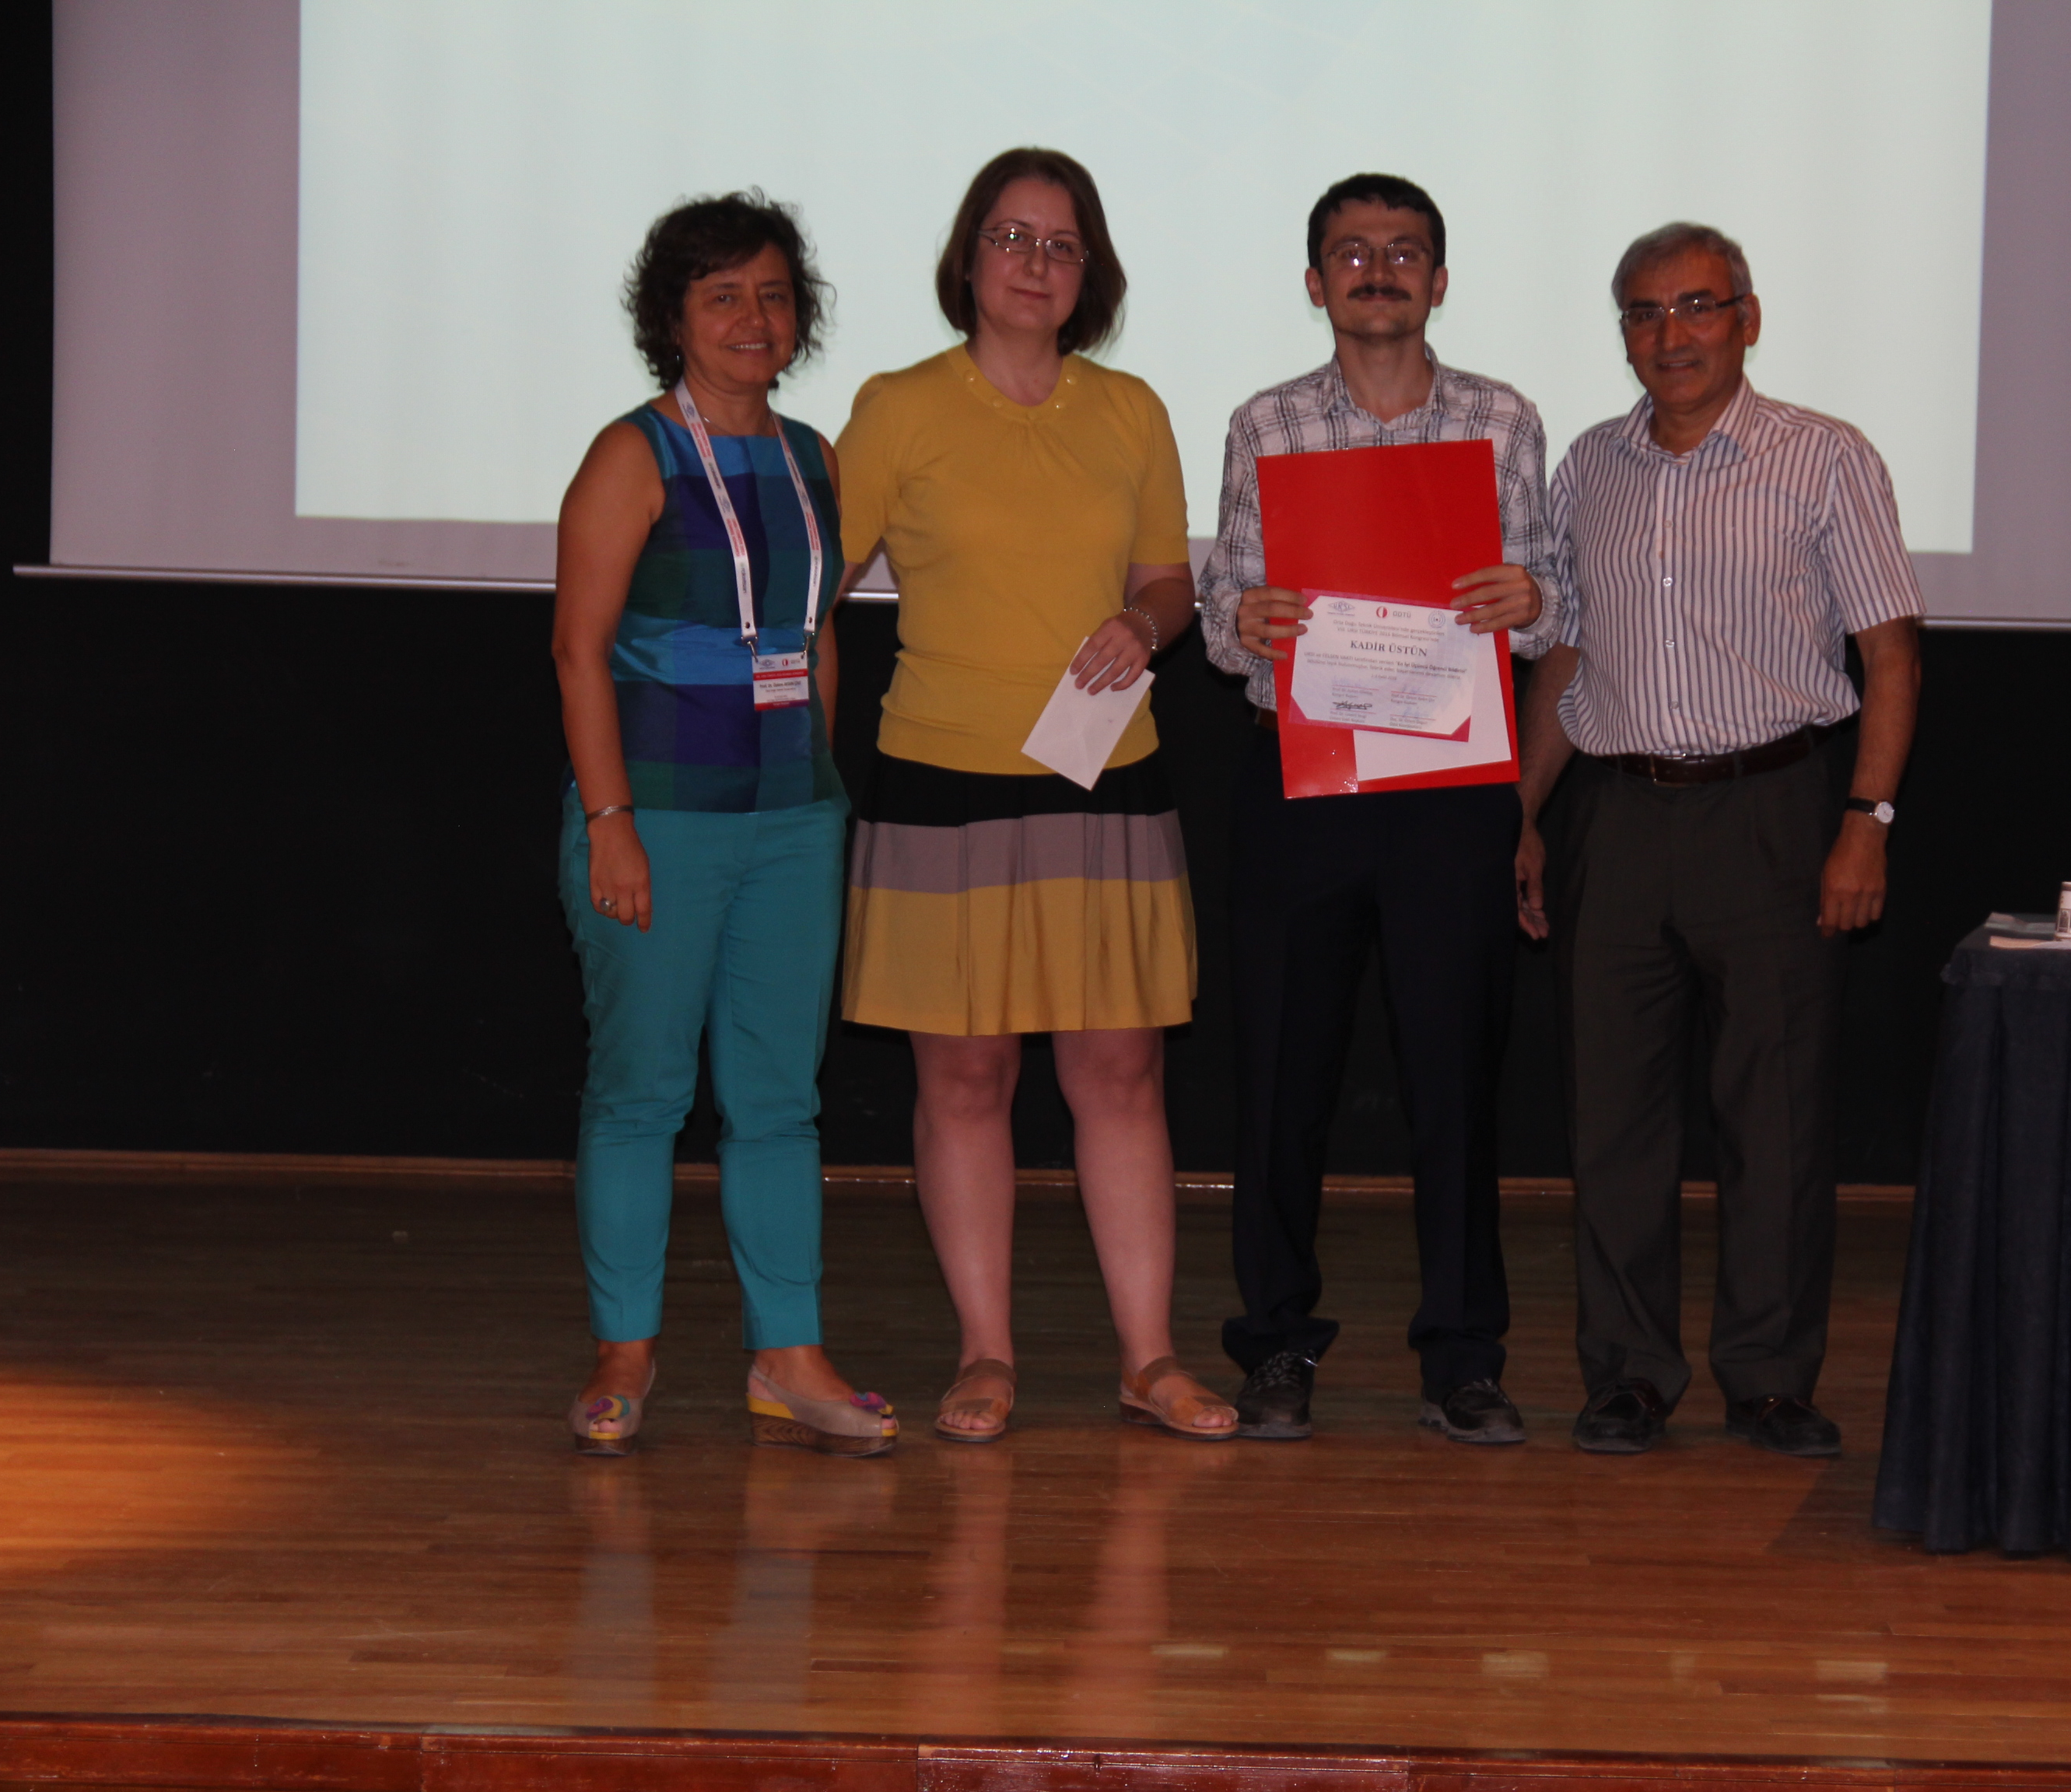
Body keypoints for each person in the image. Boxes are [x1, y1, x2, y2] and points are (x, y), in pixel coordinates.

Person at [835, 148, 1233, 1444]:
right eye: (1011, 236)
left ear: (1090, 273)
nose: (1034, 262)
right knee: (964, 1078)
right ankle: (985, 1354)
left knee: (1120, 1072)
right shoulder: (897, 407)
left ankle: (1148, 1359)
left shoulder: (1131, 411)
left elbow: (1169, 582)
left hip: (1103, 774)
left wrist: (1143, 623)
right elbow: (810, 582)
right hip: (938, 779)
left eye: (1062, 244)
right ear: (968, 258)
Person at [1517, 222, 1924, 1458]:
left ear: (1748, 318)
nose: (1671, 334)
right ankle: (1628, 1376)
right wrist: (1520, 812)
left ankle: (1770, 1378)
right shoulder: (1588, 466)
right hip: (1617, 815)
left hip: (1773, 813)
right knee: (1613, 1120)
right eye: (1644, 313)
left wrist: (1866, 823)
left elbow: (1891, 655)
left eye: (1697, 306)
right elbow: (1568, 653)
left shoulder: (1825, 457)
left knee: (1777, 1116)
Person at [1198, 173, 1565, 1444]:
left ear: (1439, 280)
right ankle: (1274, 1343)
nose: (1378, 269)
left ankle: (1463, 1355)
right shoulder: (1266, 422)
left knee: (1455, 1078)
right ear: (1316, 283)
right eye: (1352, 252)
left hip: (1450, 785)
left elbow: (1553, 596)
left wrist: (1530, 602)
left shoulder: (1504, 419)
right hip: (1301, 776)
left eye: (1404, 251)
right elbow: (1223, 609)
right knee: (1281, 1076)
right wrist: (1245, 622)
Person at [551, 192, 895, 1459]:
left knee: (778, 1102)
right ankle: (624, 1353)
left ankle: (786, 1358)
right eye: (722, 296)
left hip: (790, 822)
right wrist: (611, 823)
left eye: (773, 294)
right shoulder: (631, 454)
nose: (754, 318)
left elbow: (813, 633)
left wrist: (820, 787)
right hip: (657, 818)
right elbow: (578, 653)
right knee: (641, 1095)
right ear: (674, 318)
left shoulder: (812, 457)